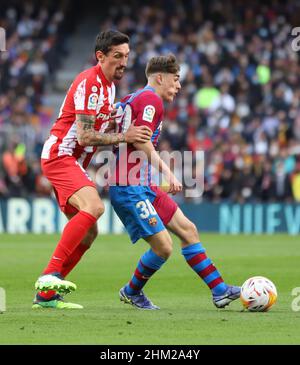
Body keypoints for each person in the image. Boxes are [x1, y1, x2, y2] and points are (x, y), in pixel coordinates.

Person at [109, 54, 240, 310]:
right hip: (129, 186)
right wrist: (168, 173)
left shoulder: (132, 98)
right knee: (164, 247)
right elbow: (140, 140)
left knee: (188, 230)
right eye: (176, 80)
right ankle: (131, 292)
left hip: (143, 185)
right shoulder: (150, 99)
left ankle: (220, 291)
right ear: (160, 77)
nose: (178, 86)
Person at [32, 30, 152, 309]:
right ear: (101, 56)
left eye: (127, 56)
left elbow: (96, 129)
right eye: (117, 56)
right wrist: (126, 135)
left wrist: (117, 122)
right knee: (95, 207)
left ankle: (47, 295)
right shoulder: (89, 82)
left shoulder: (109, 87)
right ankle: (49, 275)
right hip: (60, 155)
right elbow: (85, 136)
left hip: (74, 161)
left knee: (89, 233)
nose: (124, 62)